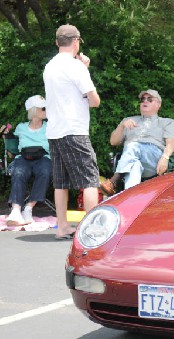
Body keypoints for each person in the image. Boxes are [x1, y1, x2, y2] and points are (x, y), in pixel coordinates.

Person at [43, 24, 101, 240]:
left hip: (55, 130)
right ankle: (92, 230)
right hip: (74, 130)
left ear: (58, 42)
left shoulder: (50, 66)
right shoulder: (76, 67)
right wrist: (84, 68)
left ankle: (62, 227)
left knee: (61, 182)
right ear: (76, 41)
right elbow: (94, 100)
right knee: (89, 180)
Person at [99, 89, 174, 196]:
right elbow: (113, 142)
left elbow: (171, 144)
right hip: (131, 159)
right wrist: (122, 126)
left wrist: (165, 157)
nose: (145, 101)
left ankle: (114, 180)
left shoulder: (167, 122)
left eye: (149, 99)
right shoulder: (128, 120)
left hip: (154, 160)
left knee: (133, 145)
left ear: (158, 105)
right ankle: (130, 198)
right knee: (134, 166)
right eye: (143, 99)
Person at [3, 95, 52, 226]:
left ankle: (28, 209)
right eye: (44, 108)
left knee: (45, 171)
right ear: (34, 110)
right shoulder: (21, 127)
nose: (47, 110)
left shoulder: (50, 126)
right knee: (19, 172)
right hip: (23, 158)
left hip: (44, 158)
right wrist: (5, 135)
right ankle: (16, 210)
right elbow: (12, 150)